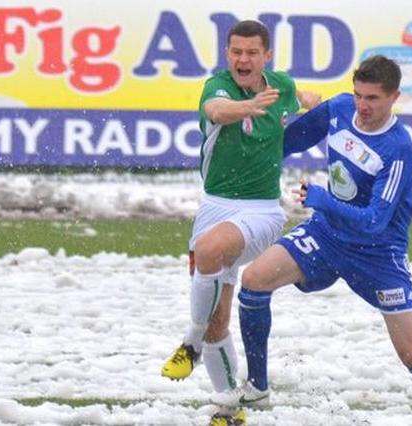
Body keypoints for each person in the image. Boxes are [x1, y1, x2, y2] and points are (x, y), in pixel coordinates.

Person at [212, 55, 412, 425]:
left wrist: (324, 199)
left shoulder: (397, 148)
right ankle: (257, 386)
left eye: (373, 98)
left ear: (394, 97)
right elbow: (287, 141)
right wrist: (242, 152)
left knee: (411, 353)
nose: (362, 105)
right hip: (326, 233)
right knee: (254, 280)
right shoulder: (341, 108)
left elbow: (374, 222)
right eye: (359, 94)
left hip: (377, 253)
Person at [159, 20, 320, 426]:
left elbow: (301, 96)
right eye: (236, 52)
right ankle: (229, 407)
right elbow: (217, 111)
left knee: (209, 251)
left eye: (251, 52)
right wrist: (248, 106)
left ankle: (189, 345)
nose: (243, 59)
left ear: (267, 55)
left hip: (261, 212)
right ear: (227, 53)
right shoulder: (217, 88)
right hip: (213, 208)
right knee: (218, 319)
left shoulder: (280, 85)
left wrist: (312, 100)